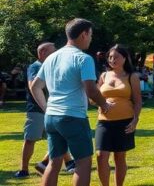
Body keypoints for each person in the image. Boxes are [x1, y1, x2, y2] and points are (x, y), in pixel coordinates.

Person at [29, 18, 111, 186]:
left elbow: (35, 86)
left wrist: (46, 108)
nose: (91, 39)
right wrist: (105, 104)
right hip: (73, 116)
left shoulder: (51, 58)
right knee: (83, 163)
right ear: (84, 34)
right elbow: (91, 90)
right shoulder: (83, 58)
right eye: (91, 35)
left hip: (51, 117)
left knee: (54, 162)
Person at [17, 42, 74, 179]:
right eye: (52, 52)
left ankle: (68, 163)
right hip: (37, 110)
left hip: (54, 108)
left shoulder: (52, 66)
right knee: (30, 139)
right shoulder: (35, 67)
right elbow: (33, 86)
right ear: (42, 52)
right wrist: (45, 107)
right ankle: (24, 169)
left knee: (60, 136)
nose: (56, 55)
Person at [95, 45, 142, 186]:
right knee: (101, 155)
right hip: (104, 121)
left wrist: (135, 120)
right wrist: (102, 102)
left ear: (125, 58)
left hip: (124, 122)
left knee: (119, 157)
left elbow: (138, 102)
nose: (112, 59)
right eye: (110, 57)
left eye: (116, 57)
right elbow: (93, 98)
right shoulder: (103, 76)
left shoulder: (132, 77)